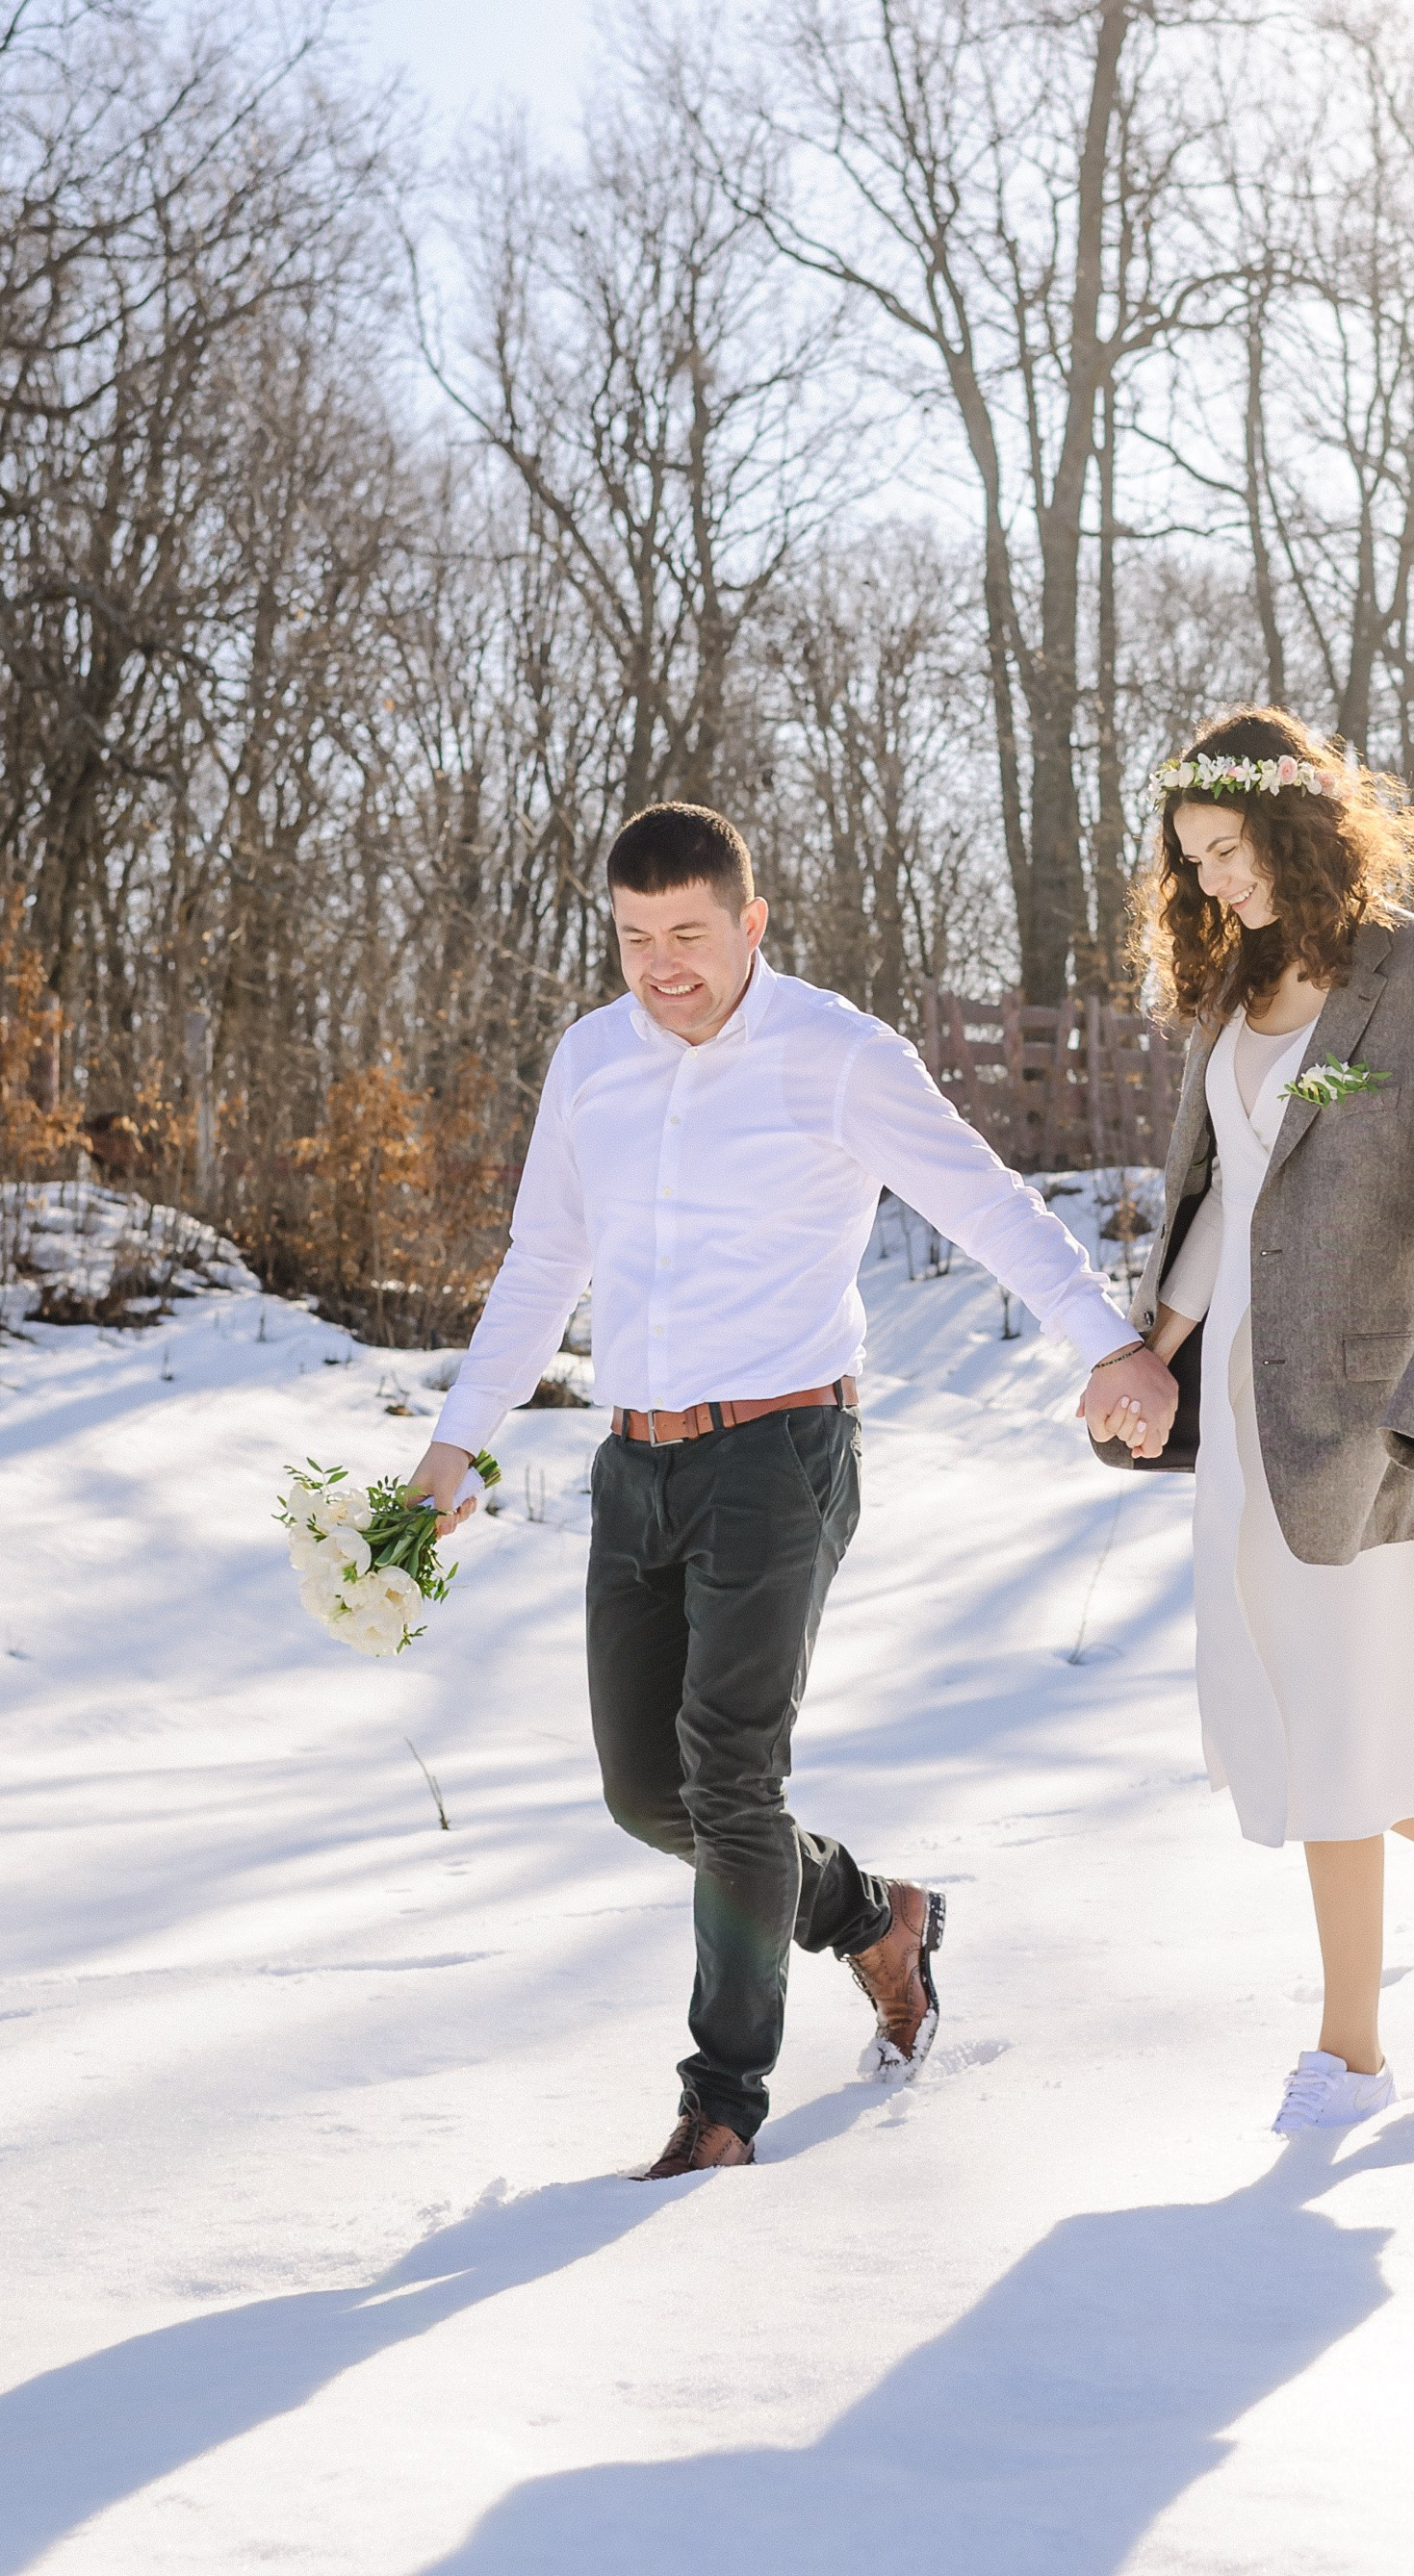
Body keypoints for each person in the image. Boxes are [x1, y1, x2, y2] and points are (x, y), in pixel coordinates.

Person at [403, 802, 1178, 2181]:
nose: (661, 966)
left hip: (780, 1451)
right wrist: (452, 1445)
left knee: (730, 1775)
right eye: (635, 939)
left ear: (750, 922)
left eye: (689, 935)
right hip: (632, 1460)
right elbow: (540, 1263)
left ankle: (722, 2107)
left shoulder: (836, 1054)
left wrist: (1108, 1344)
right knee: (652, 1797)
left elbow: (985, 1203)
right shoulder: (590, 1061)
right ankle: (876, 1918)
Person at [1093, 707, 1414, 2138]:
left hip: (1364, 1417)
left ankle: (1349, 2054)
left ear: (1294, 827)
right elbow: (1224, 1198)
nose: (1212, 882)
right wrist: (1144, 1359)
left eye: (1227, 850)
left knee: (1335, 1729)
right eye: (1192, 860)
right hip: (1237, 1406)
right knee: (1277, 1731)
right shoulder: (1236, 992)